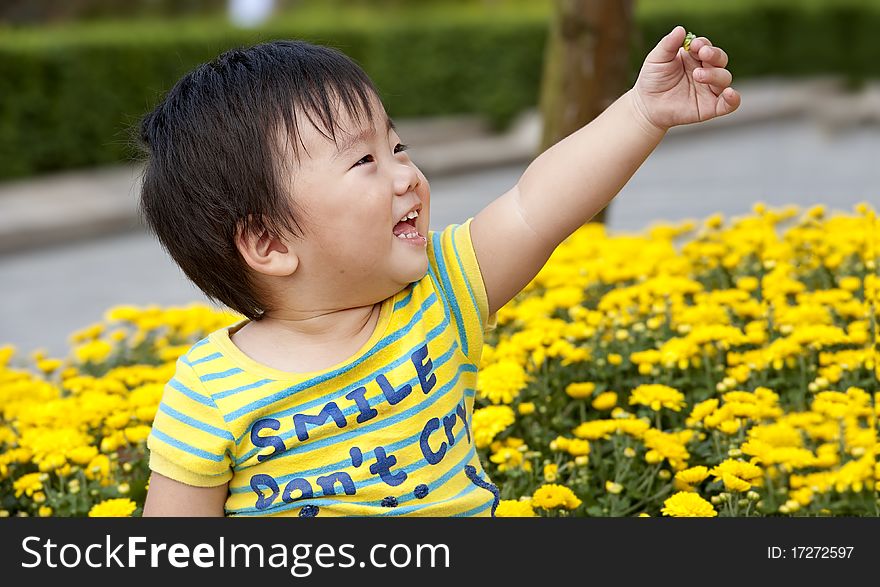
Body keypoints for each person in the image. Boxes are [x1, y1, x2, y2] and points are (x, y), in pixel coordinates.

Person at [140, 26, 739, 517]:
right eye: (365, 160)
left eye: (398, 147)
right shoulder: (209, 394)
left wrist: (642, 111)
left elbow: (537, 205)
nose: (407, 175)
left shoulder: (442, 293)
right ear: (268, 242)